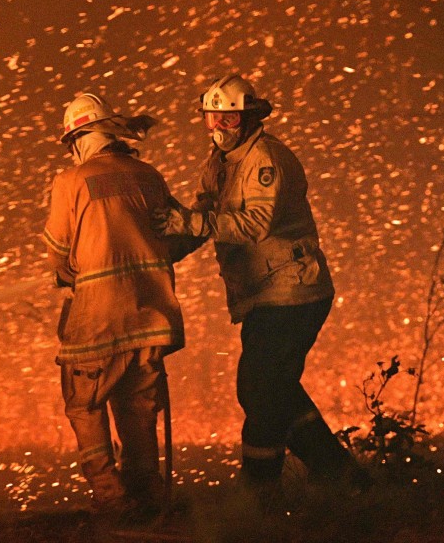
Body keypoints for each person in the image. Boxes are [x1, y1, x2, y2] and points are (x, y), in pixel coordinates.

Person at [153, 73, 366, 504]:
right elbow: (202, 218)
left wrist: (188, 222)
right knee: (274, 386)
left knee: (259, 386)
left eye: (227, 121)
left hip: (293, 292)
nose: (217, 129)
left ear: (249, 118)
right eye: (211, 119)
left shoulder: (267, 160)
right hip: (263, 295)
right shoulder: (218, 163)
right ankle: (340, 476)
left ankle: (260, 491)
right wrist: (161, 252)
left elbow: (254, 225)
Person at [43, 93, 194, 521]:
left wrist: (72, 273)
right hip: (150, 318)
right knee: (138, 409)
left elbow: (57, 251)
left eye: (72, 140)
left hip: (98, 320)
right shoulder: (149, 177)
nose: (72, 150)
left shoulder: (70, 182)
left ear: (83, 137)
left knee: (83, 403)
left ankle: (110, 497)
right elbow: (181, 236)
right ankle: (145, 497)